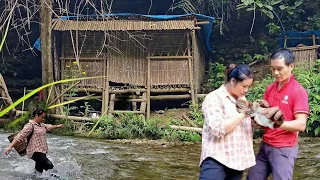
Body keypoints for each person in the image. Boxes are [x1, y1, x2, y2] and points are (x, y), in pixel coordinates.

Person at [247, 49, 309, 180]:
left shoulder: (298, 91)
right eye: (273, 69)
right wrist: (256, 119)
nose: (275, 73)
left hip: (284, 148)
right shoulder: (270, 88)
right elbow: (267, 118)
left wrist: (281, 123)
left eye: (279, 69)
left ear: (291, 66)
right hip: (266, 144)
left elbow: (301, 125)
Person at [199, 64, 255, 180]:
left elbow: (247, 128)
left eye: (248, 87)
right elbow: (217, 129)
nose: (246, 90)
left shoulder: (242, 100)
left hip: (237, 160)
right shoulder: (214, 98)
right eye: (244, 86)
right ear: (233, 81)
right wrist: (243, 114)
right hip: (217, 158)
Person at [4, 107, 64, 175]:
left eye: (44, 117)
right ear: (36, 116)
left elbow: (50, 127)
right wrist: (10, 147)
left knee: (38, 172)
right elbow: (19, 136)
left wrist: (58, 126)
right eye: (42, 117)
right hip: (34, 152)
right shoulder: (30, 126)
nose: (43, 119)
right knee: (50, 166)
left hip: (42, 151)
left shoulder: (41, 125)